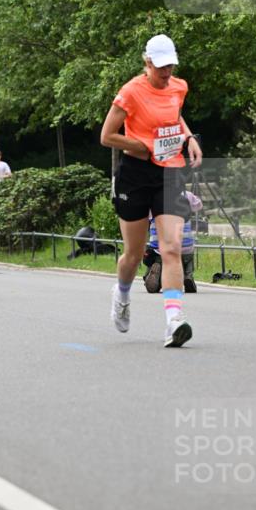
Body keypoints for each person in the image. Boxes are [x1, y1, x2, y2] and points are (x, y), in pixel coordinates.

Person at [100, 34, 202, 347]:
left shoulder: (179, 86)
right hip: (135, 173)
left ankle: (174, 322)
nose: (166, 72)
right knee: (133, 253)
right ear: (147, 62)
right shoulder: (131, 92)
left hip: (169, 172)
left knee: (171, 247)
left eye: (170, 65)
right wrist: (140, 146)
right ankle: (122, 294)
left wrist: (188, 138)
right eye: (160, 67)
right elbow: (107, 136)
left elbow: (175, 115)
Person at [143, 191, 202, 294]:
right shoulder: (186, 195)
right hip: (185, 246)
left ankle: (152, 272)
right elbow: (198, 205)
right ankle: (188, 275)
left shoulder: (153, 197)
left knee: (153, 254)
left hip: (159, 247)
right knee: (188, 255)